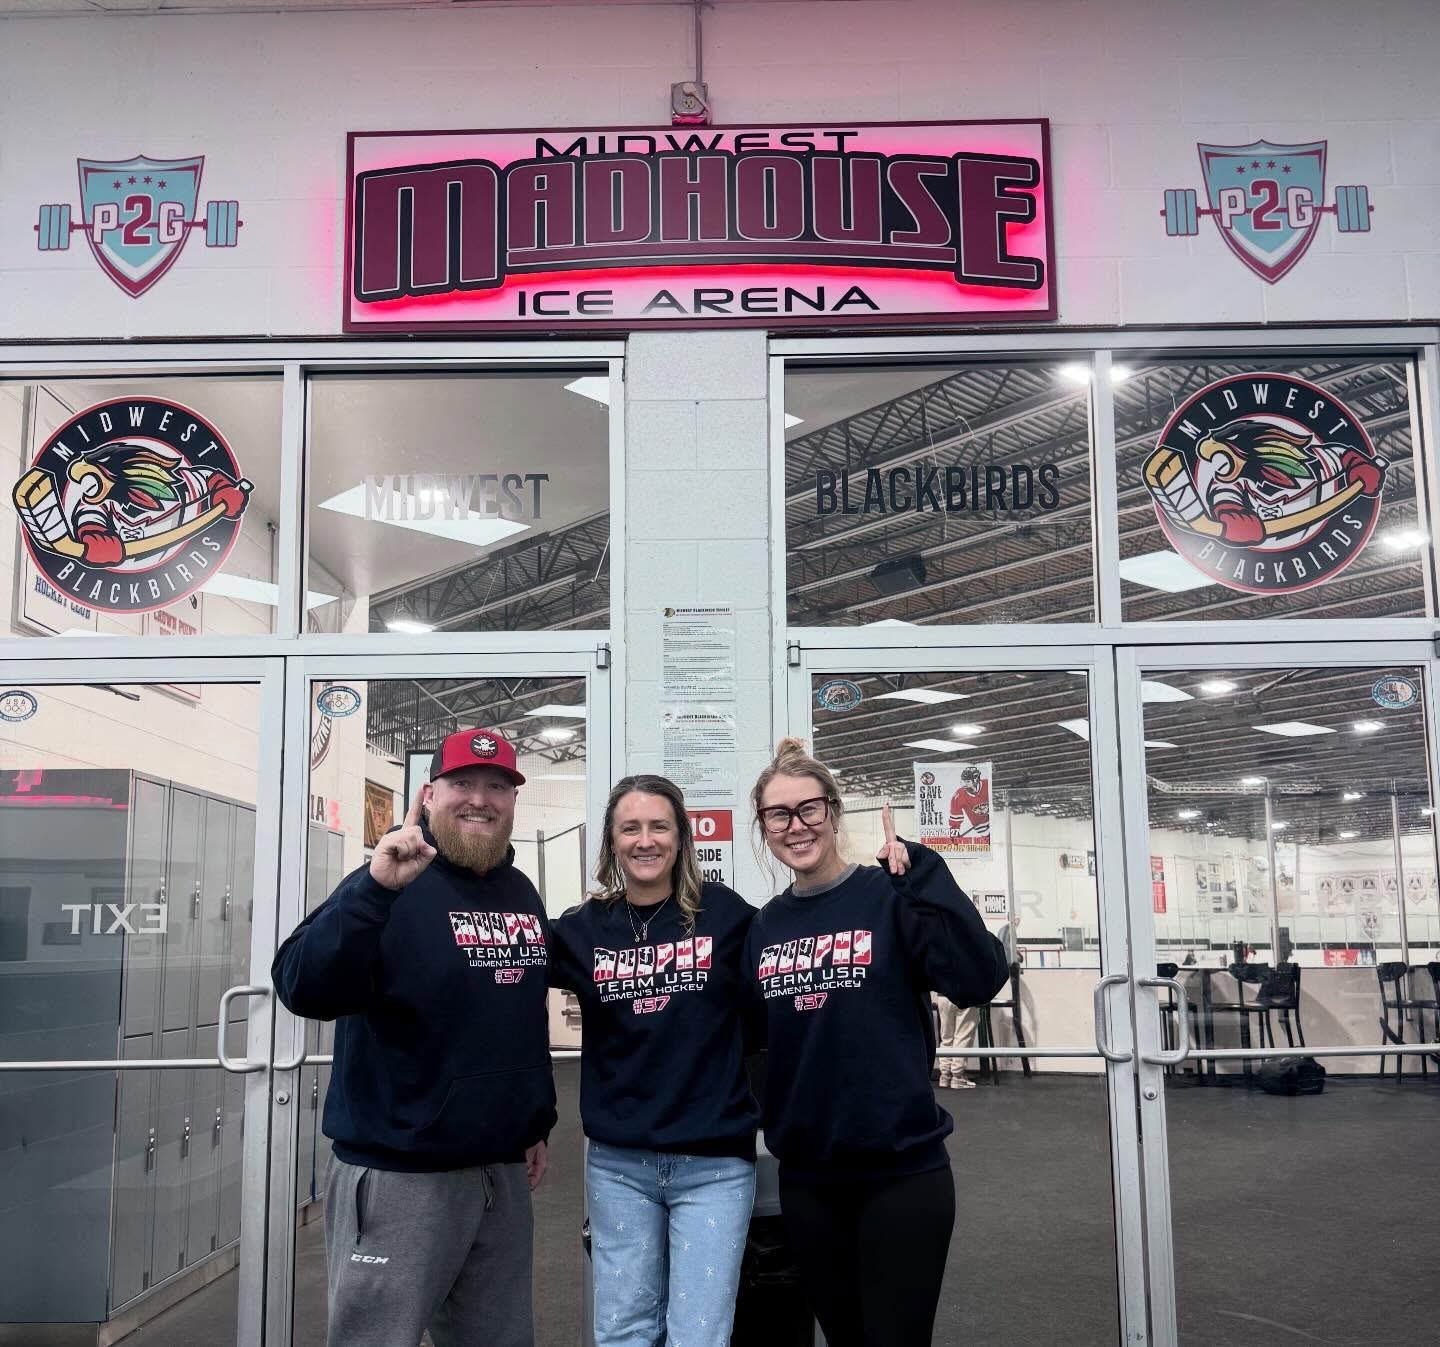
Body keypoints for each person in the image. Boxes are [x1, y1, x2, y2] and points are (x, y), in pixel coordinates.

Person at [272, 727, 555, 1347]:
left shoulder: (519, 892)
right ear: (429, 795)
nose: (479, 799)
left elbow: (515, 1015)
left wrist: (532, 1118)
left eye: (496, 787)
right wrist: (373, 890)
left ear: (513, 800)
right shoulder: (388, 880)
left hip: (499, 1173)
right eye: (462, 784)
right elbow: (302, 987)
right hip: (401, 1175)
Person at [745, 738, 1008, 1347]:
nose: (796, 826)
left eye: (809, 808)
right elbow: (755, 1040)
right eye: (779, 815)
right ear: (764, 827)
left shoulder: (889, 895)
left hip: (901, 1174)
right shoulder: (765, 926)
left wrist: (923, 875)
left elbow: (977, 979)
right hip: (808, 1181)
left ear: (833, 812)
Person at [548, 774, 760, 1347]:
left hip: (714, 1166)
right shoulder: (584, 928)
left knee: (699, 1335)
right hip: (618, 1165)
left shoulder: (726, 915)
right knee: (623, 1330)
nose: (645, 840)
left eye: (659, 826)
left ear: (682, 836)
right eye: (630, 828)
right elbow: (496, 968)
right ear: (611, 842)